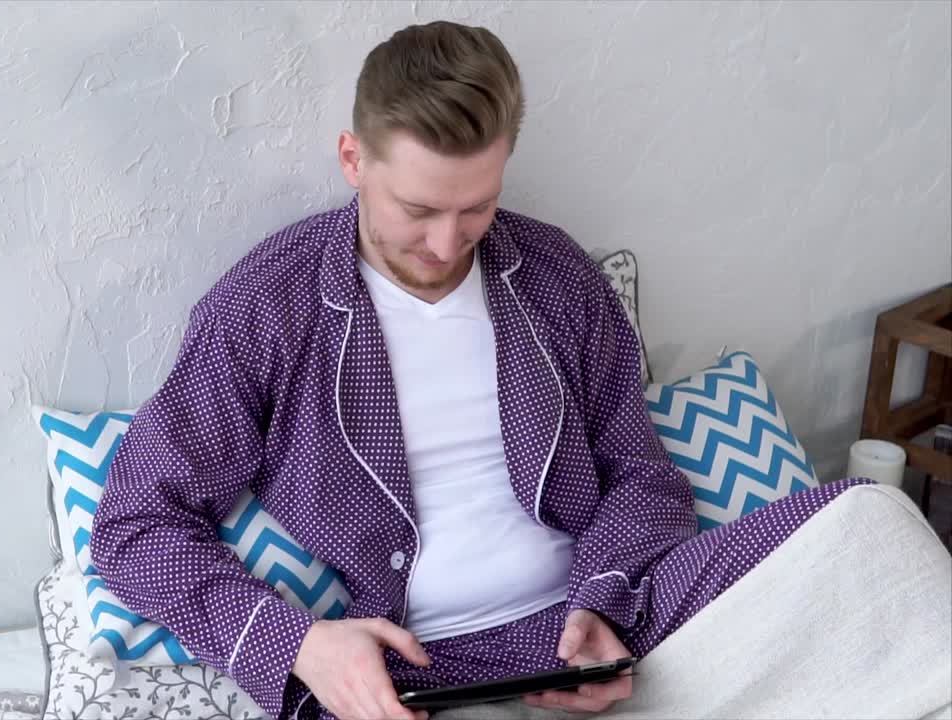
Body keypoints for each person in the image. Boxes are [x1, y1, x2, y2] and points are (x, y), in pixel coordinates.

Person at [90, 20, 871, 720]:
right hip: (416, 670)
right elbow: (134, 528)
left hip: (604, 614)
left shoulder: (557, 275)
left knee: (871, 522)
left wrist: (605, 607)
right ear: (352, 159)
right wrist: (301, 645)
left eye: (477, 208)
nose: (446, 244)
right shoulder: (265, 308)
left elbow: (641, 473)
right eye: (419, 211)